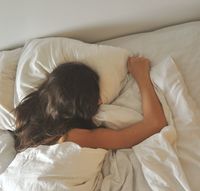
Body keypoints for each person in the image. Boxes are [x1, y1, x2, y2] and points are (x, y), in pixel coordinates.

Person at [14, 56, 167, 152]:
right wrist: (142, 76)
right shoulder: (73, 137)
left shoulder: (24, 115)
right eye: (94, 97)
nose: (100, 101)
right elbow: (155, 123)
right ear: (78, 104)